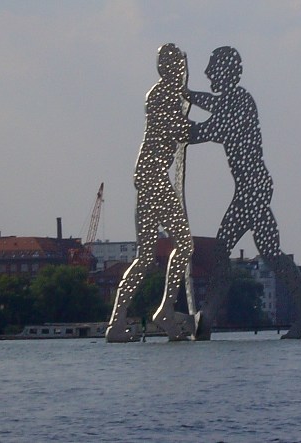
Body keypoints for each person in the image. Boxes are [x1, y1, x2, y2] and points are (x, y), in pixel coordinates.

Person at [188, 47, 301, 339]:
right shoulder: (233, 100)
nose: (208, 73)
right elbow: (212, 104)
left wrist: (176, 127)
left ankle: (207, 319)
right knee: (271, 253)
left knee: (222, 250)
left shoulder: (240, 101)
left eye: (212, 68)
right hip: (254, 187)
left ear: (226, 72)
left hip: (252, 188)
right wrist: (186, 95)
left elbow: (208, 129)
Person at [106, 44, 198, 342]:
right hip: (154, 178)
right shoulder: (164, 95)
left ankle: (116, 323)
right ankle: (165, 310)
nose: (182, 72)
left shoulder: (165, 94)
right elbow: (182, 131)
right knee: (184, 245)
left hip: (148, 178)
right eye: (180, 67)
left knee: (145, 257)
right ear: (172, 69)